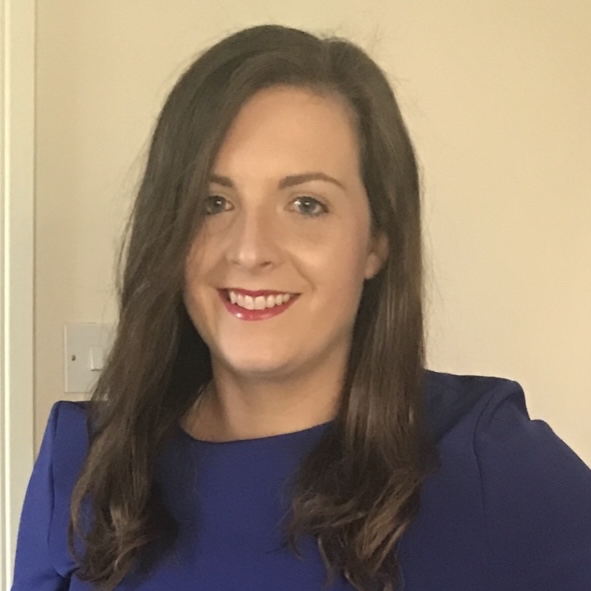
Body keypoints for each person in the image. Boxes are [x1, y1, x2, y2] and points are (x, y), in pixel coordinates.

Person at [11, 24, 591, 591]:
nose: (250, 250)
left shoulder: (488, 462)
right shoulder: (84, 460)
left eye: (307, 204)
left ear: (377, 239)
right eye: (213, 202)